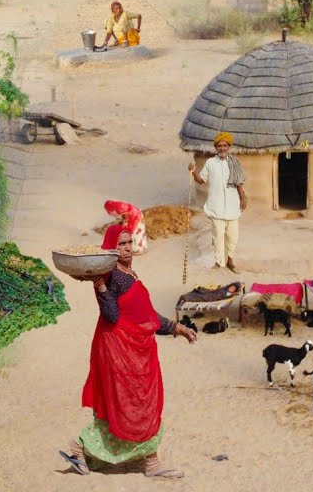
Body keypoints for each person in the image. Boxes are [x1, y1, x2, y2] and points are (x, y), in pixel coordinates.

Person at [61, 231, 196, 479]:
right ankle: (82, 447)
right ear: (110, 250)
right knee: (130, 403)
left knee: (135, 403)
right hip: (118, 350)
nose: (127, 248)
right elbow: (112, 316)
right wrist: (100, 287)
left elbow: (147, 315)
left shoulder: (130, 275)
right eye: (120, 244)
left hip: (137, 349)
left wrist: (178, 328)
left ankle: (143, 459)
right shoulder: (110, 277)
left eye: (129, 242)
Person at [189, 132, 246, 272]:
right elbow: (201, 180)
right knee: (218, 236)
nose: (222, 148)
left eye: (225, 145)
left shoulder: (234, 162)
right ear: (216, 147)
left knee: (233, 236)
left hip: (233, 206)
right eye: (219, 146)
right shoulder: (210, 163)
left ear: (228, 146)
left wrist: (243, 197)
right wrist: (193, 171)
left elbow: (239, 182)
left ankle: (230, 261)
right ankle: (219, 262)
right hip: (216, 206)